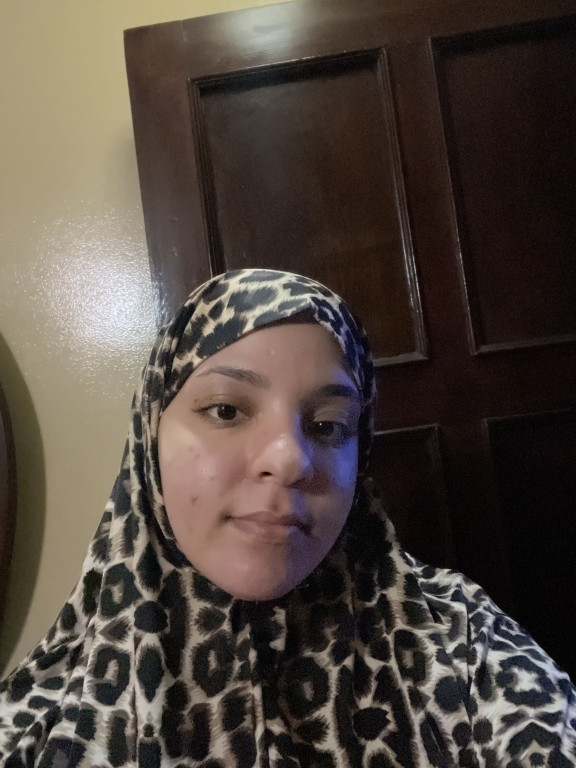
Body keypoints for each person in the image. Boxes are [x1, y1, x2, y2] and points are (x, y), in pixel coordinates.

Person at [0, 268, 574, 768]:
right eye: (226, 410)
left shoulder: (462, 643)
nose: (291, 459)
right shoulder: (40, 721)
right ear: (150, 438)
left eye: (327, 426)